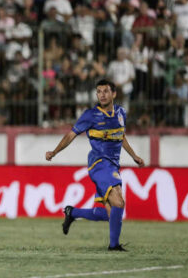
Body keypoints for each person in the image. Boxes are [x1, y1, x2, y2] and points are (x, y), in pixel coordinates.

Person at [45, 79, 145, 251]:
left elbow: (120, 136)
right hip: (99, 164)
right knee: (119, 203)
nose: (102, 95)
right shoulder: (90, 115)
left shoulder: (121, 113)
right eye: (99, 91)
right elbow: (71, 135)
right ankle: (114, 246)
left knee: (110, 213)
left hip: (113, 165)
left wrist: (134, 155)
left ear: (114, 94)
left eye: (105, 91)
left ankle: (72, 212)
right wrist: (54, 152)